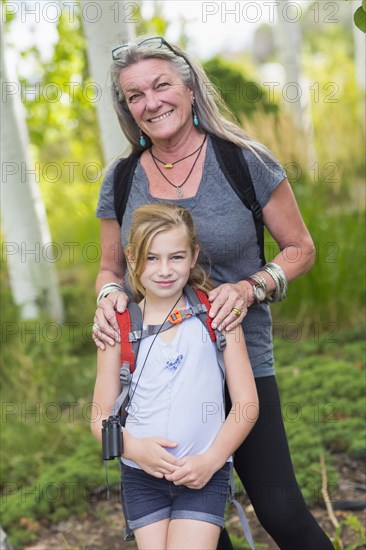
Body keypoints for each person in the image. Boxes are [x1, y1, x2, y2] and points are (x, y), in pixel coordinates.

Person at [93, 36, 334, 549]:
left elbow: (301, 248)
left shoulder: (244, 161)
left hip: (238, 355)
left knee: (280, 508)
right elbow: (110, 270)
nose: (150, 102)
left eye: (161, 85)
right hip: (158, 371)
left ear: (190, 86)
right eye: (135, 95)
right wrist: (106, 301)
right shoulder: (121, 179)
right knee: (193, 516)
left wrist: (251, 288)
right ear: (127, 109)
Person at [91, 202, 259, 550]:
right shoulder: (118, 326)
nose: (164, 269)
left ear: (194, 255)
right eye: (151, 258)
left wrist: (211, 461)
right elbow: (99, 417)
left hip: (204, 473)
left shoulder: (218, 315)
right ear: (132, 259)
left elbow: (247, 404)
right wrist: (135, 449)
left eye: (176, 257)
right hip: (141, 477)